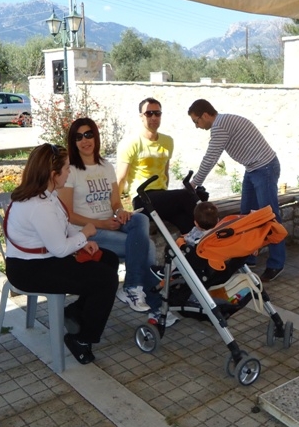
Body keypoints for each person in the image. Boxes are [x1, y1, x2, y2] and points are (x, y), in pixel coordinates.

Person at [4, 143, 119, 365]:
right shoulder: (39, 205)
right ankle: (82, 339)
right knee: (106, 280)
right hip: (28, 269)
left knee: (109, 259)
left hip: (44, 258)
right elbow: (59, 249)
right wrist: (85, 234)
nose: (69, 172)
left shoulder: (47, 195)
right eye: (66, 168)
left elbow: (63, 224)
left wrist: (82, 242)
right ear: (53, 174)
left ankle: (76, 312)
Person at [59, 118, 178, 326]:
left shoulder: (105, 166)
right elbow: (68, 214)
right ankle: (154, 305)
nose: (84, 140)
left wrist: (120, 211)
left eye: (88, 134)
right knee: (147, 246)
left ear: (96, 137)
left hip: (111, 222)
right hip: (87, 230)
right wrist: (102, 224)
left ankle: (134, 287)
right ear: (73, 142)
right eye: (78, 137)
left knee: (140, 218)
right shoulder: (71, 170)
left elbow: (115, 202)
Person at [188, 99, 286, 282]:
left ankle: (276, 263)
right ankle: (247, 258)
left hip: (264, 168)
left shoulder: (219, 126)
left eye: (196, 121)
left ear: (205, 115)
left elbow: (211, 157)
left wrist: (194, 183)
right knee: (246, 217)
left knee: (269, 217)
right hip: (253, 169)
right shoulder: (225, 120)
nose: (196, 126)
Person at [117, 97, 197, 234]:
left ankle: (196, 245)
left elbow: (165, 173)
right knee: (187, 196)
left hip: (161, 197)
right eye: (149, 113)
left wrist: (167, 195)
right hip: (142, 197)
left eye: (157, 113)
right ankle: (215, 232)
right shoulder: (130, 143)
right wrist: (119, 209)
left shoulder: (167, 141)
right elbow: (120, 179)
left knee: (187, 223)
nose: (154, 117)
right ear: (141, 116)